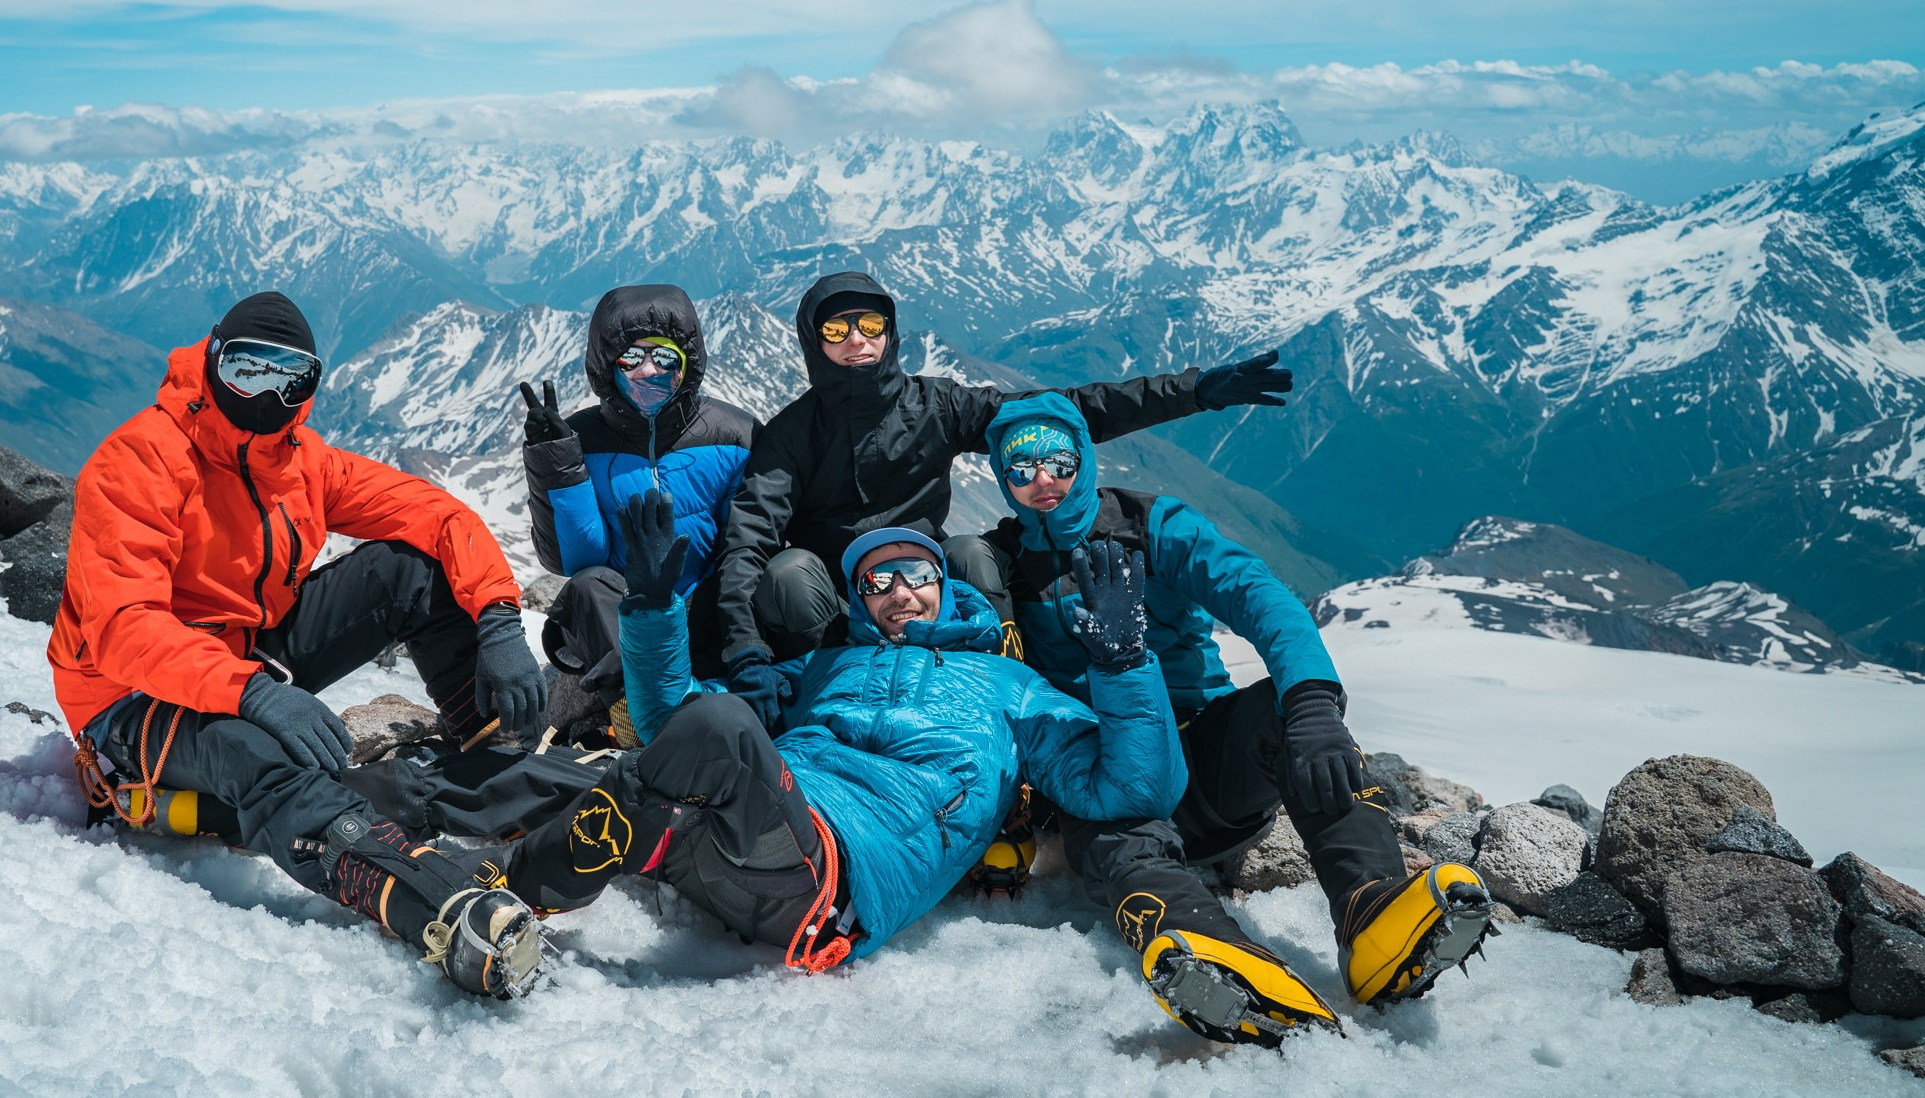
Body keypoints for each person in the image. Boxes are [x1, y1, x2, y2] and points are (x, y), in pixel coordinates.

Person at [47, 291, 550, 999]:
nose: (268, 394)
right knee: (253, 754)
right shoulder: (140, 461)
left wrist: (498, 617)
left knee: (408, 571)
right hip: (129, 696)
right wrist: (252, 694)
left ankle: (504, 771)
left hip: (243, 658)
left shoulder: (299, 463)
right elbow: (122, 628)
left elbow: (435, 514)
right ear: (212, 361)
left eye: (290, 378)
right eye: (247, 369)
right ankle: (435, 901)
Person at [973, 392, 1493, 1044]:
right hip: (1099, 771)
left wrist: (1311, 699)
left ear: (1084, 458)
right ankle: (1210, 947)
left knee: (1281, 714)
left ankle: (1371, 908)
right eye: (1022, 468)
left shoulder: (1150, 526)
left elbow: (1257, 595)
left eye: (1058, 461)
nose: (1043, 480)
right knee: (1118, 841)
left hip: (1203, 750)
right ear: (1003, 478)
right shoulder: (1000, 565)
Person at [496, 489, 1187, 973]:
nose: (899, 591)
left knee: (711, 731)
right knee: (612, 767)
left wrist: (1124, 665)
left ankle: (511, 892)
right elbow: (668, 724)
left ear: (944, 583)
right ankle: (470, 879)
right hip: (734, 840)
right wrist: (650, 611)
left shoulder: (1012, 686)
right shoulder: (824, 668)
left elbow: (1133, 790)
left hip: (831, 880)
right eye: (877, 582)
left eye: (916, 573)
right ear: (859, 602)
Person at [710, 269, 1294, 709]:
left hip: (927, 585)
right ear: (813, 341)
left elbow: (1059, 411)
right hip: (839, 600)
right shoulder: (791, 434)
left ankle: (998, 686)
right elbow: (748, 542)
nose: (857, 340)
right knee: (786, 571)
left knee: (972, 552)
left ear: (890, 333)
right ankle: (830, 694)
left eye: (871, 326)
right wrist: (744, 650)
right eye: (837, 329)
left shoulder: (935, 405)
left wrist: (1193, 392)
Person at [519, 284, 756, 734]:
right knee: (587, 587)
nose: (648, 370)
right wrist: (556, 466)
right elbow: (574, 561)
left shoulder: (734, 434)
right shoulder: (579, 439)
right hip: (623, 614)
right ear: (608, 365)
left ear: (686, 363)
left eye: (664, 357)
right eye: (631, 358)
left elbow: (746, 544)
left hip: (706, 605)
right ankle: (634, 712)